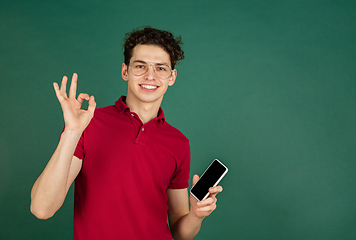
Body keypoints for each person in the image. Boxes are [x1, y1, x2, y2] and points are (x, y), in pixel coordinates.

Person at [30, 27, 223, 240]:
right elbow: (42, 209)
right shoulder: (89, 123)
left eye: (161, 68)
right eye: (140, 66)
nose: (150, 76)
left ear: (172, 76)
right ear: (125, 71)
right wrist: (72, 132)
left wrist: (196, 214)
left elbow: (180, 232)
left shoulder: (179, 143)